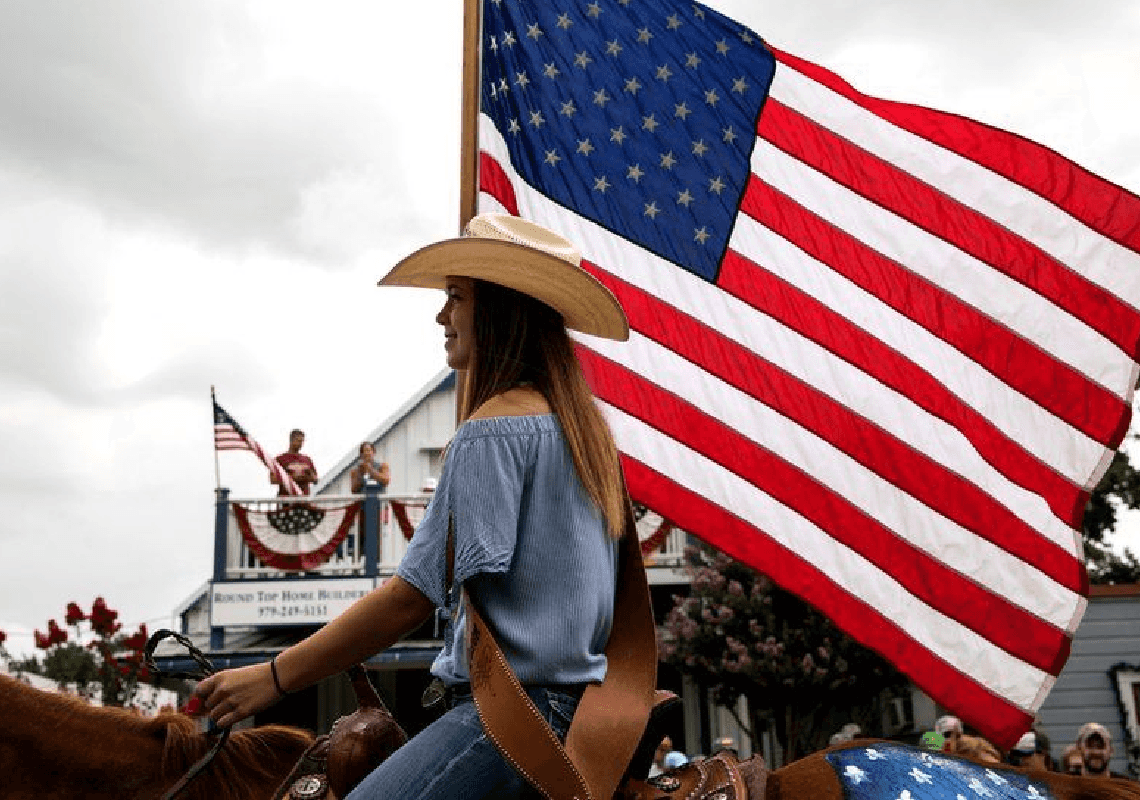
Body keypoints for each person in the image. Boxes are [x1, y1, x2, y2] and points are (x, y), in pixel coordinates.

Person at [191, 213, 632, 800]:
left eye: (455, 297)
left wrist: (273, 676)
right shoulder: (585, 435)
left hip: (509, 719)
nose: (442, 316)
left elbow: (410, 598)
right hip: (585, 718)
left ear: (499, 306)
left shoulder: (493, 430)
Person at [273, 429, 318, 495]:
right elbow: (273, 479)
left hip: (304, 500)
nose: (300, 444)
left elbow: (315, 479)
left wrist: (308, 476)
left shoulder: (307, 459)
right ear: (291, 440)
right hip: (287, 500)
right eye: (298, 441)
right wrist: (292, 478)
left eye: (302, 441)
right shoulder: (280, 459)